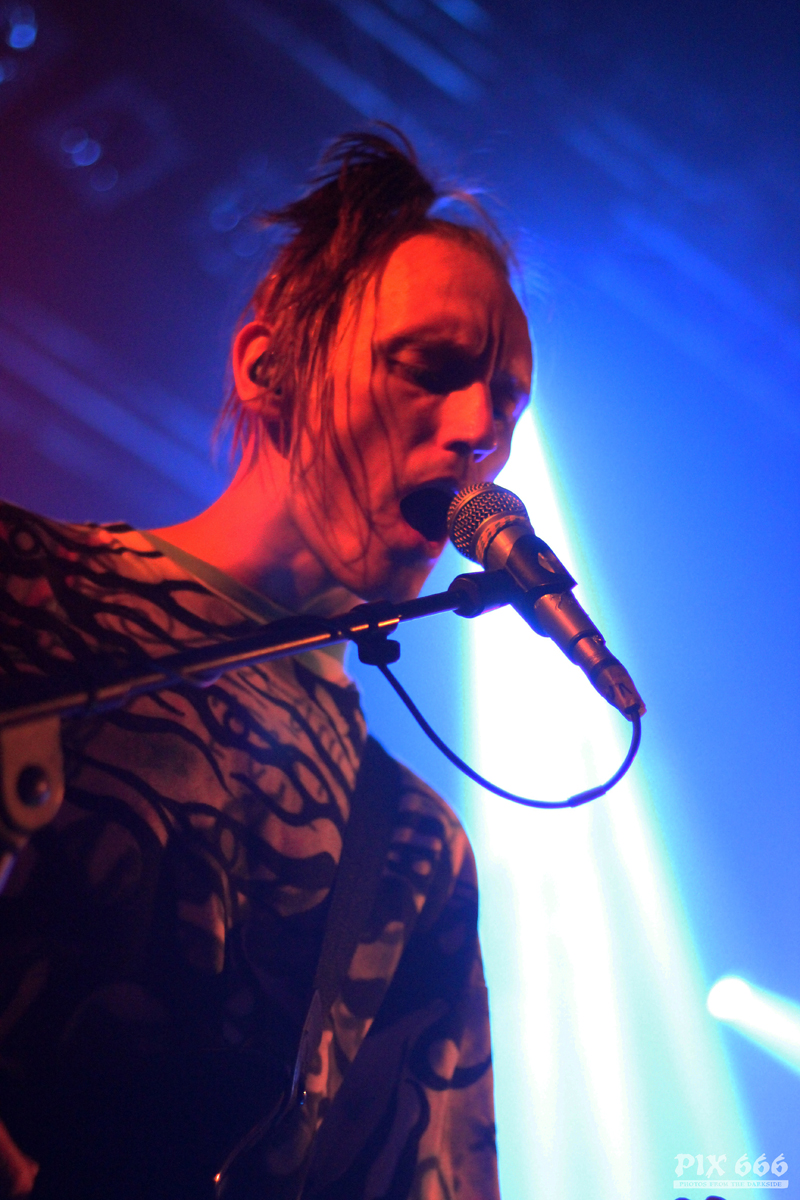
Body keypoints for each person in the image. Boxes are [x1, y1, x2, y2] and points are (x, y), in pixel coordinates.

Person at [0, 130, 532, 1199]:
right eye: (427, 368)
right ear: (267, 368)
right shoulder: (26, 589)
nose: (478, 429)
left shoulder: (415, 846)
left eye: (506, 403)